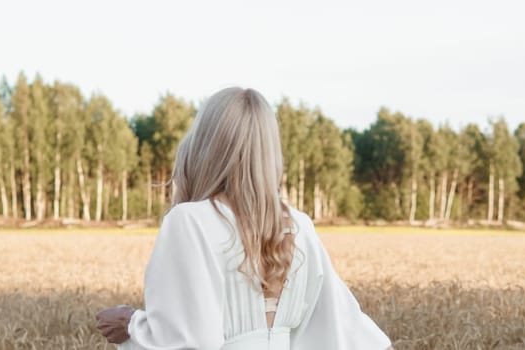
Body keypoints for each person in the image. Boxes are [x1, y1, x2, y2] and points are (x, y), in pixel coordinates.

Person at [95, 87, 393, 350]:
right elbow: (347, 329)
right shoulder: (299, 226)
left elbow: (190, 342)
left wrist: (131, 323)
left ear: (203, 147)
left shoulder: (190, 221)